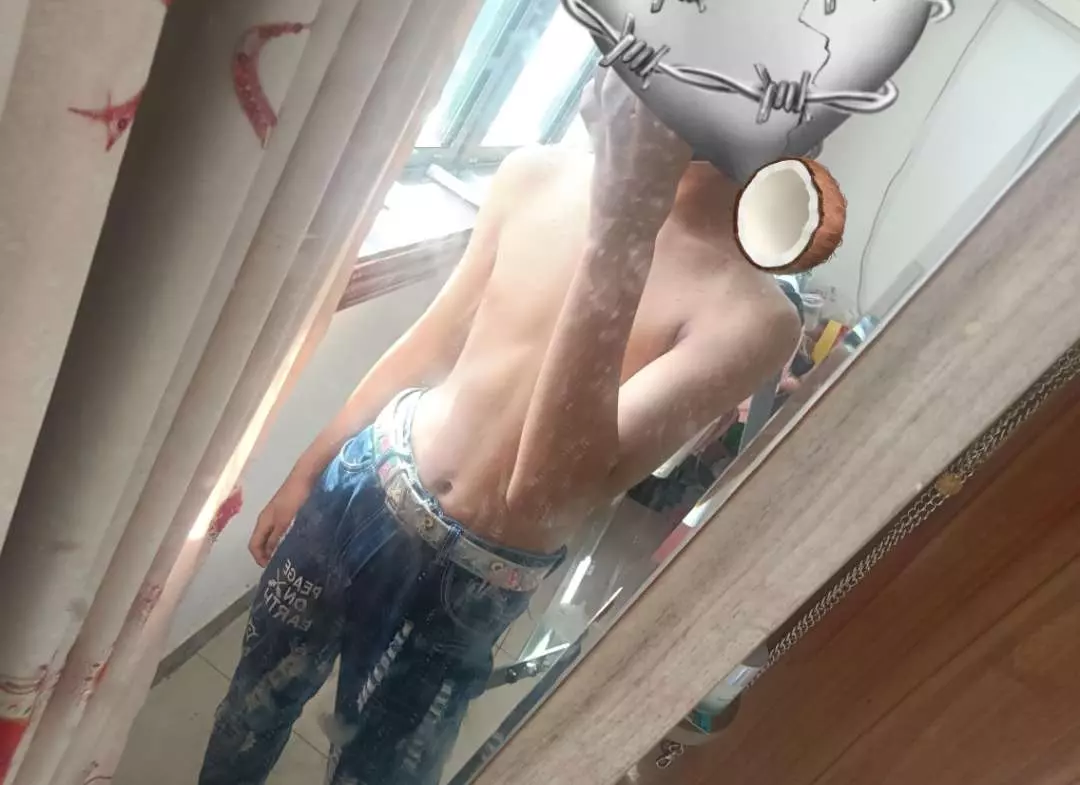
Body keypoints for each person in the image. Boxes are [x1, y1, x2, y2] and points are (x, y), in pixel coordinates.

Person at [198, 70, 802, 785]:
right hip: (364, 480)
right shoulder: (537, 174)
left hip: (473, 577)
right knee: (249, 711)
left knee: (376, 775)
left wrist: (625, 219)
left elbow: (556, 493)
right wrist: (308, 468)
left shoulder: (754, 314)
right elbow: (428, 343)